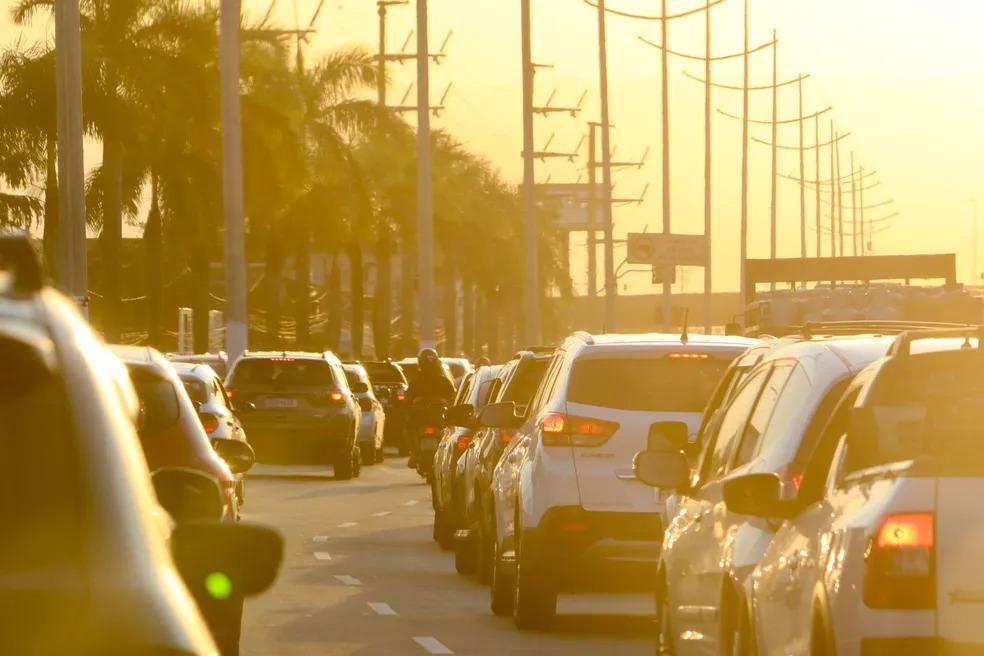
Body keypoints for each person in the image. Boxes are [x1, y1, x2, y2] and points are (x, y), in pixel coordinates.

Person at [406, 349, 456, 467]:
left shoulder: (416, 381)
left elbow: (452, 399)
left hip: (432, 419)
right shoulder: (443, 380)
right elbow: (453, 398)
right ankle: (414, 453)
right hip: (429, 419)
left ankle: (414, 453)